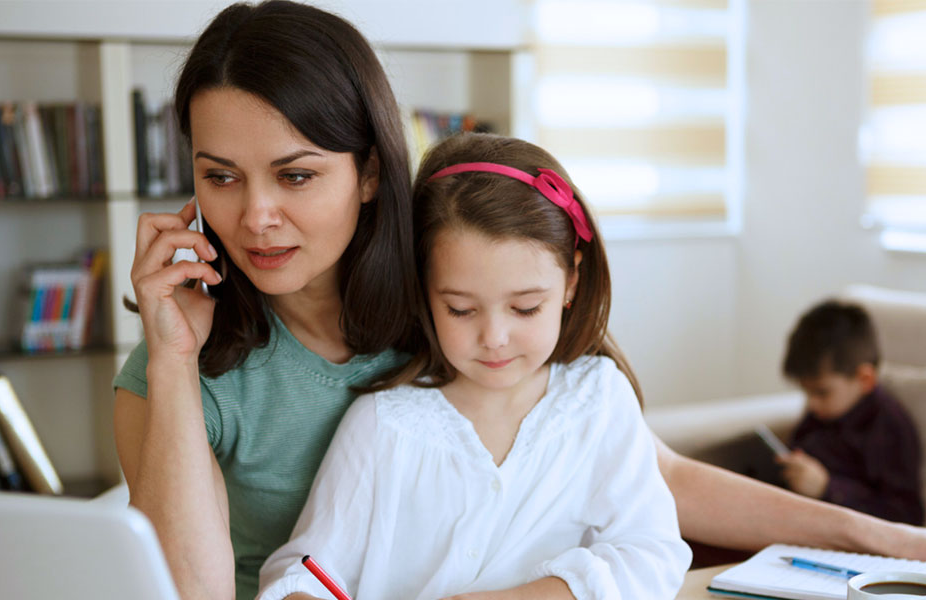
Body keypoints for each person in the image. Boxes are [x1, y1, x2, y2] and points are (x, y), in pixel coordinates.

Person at [113, 3, 926, 599]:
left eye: (296, 175)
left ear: (372, 170)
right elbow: (183, 592)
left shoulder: (454, 306)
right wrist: (178, 360)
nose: (255, 217)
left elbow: (659, 479)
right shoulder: (180, 356)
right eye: (218, 176)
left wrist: (874, 535)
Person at [257, 132, 691, 600]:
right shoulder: (384, 424)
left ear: (571, 282)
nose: (494, 338)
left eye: (525, 308)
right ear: (424, 292)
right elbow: (304, 572)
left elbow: (651, 554)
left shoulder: (598, 401)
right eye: (461, 310)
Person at [775, 300, 924, 525]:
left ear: (864, 379)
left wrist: (827, 487)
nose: (812, 404)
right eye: (806, 393)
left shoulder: (888, 425)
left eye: (822, 393)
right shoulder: (821, 415)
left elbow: (906, 514)